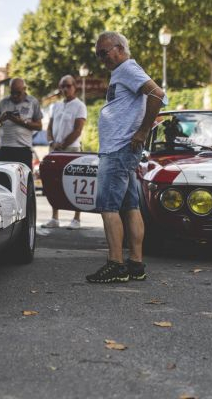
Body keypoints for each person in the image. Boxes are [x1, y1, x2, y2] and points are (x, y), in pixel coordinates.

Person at [86, 32, 165, 284]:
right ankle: (136, 264)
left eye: (104, 52)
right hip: (122, 149)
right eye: (98, 55)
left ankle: (116, 264)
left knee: (108, 207)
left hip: (118, 149)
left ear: (120, 48)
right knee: (131, 206)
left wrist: (143, 131)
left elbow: (157, 94)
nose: (101, 59)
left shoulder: (128, 69)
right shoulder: (122, 72)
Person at [44, 74, 87, 229]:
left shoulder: (80, 106)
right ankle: (54, 218)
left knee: (75, 183)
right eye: (62, 86)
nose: (65, 89)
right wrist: (51, 142)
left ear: (75, 87)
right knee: (54, 182)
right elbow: (49, 127)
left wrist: (62, 145)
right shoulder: (55, 106)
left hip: (71, 149)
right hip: (54, 149)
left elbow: (78, 130)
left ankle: (76, 219)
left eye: (68, 85)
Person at [0, 77, 42, 167]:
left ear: (24, 89)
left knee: (24, 176)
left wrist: (21, 122)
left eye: (18, 93)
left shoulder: (33, 102)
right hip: (4, 149)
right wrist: (0, 119)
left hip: (23, 150)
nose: (15, 95)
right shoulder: (3, 102)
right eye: (12, 92)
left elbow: (39, 126)